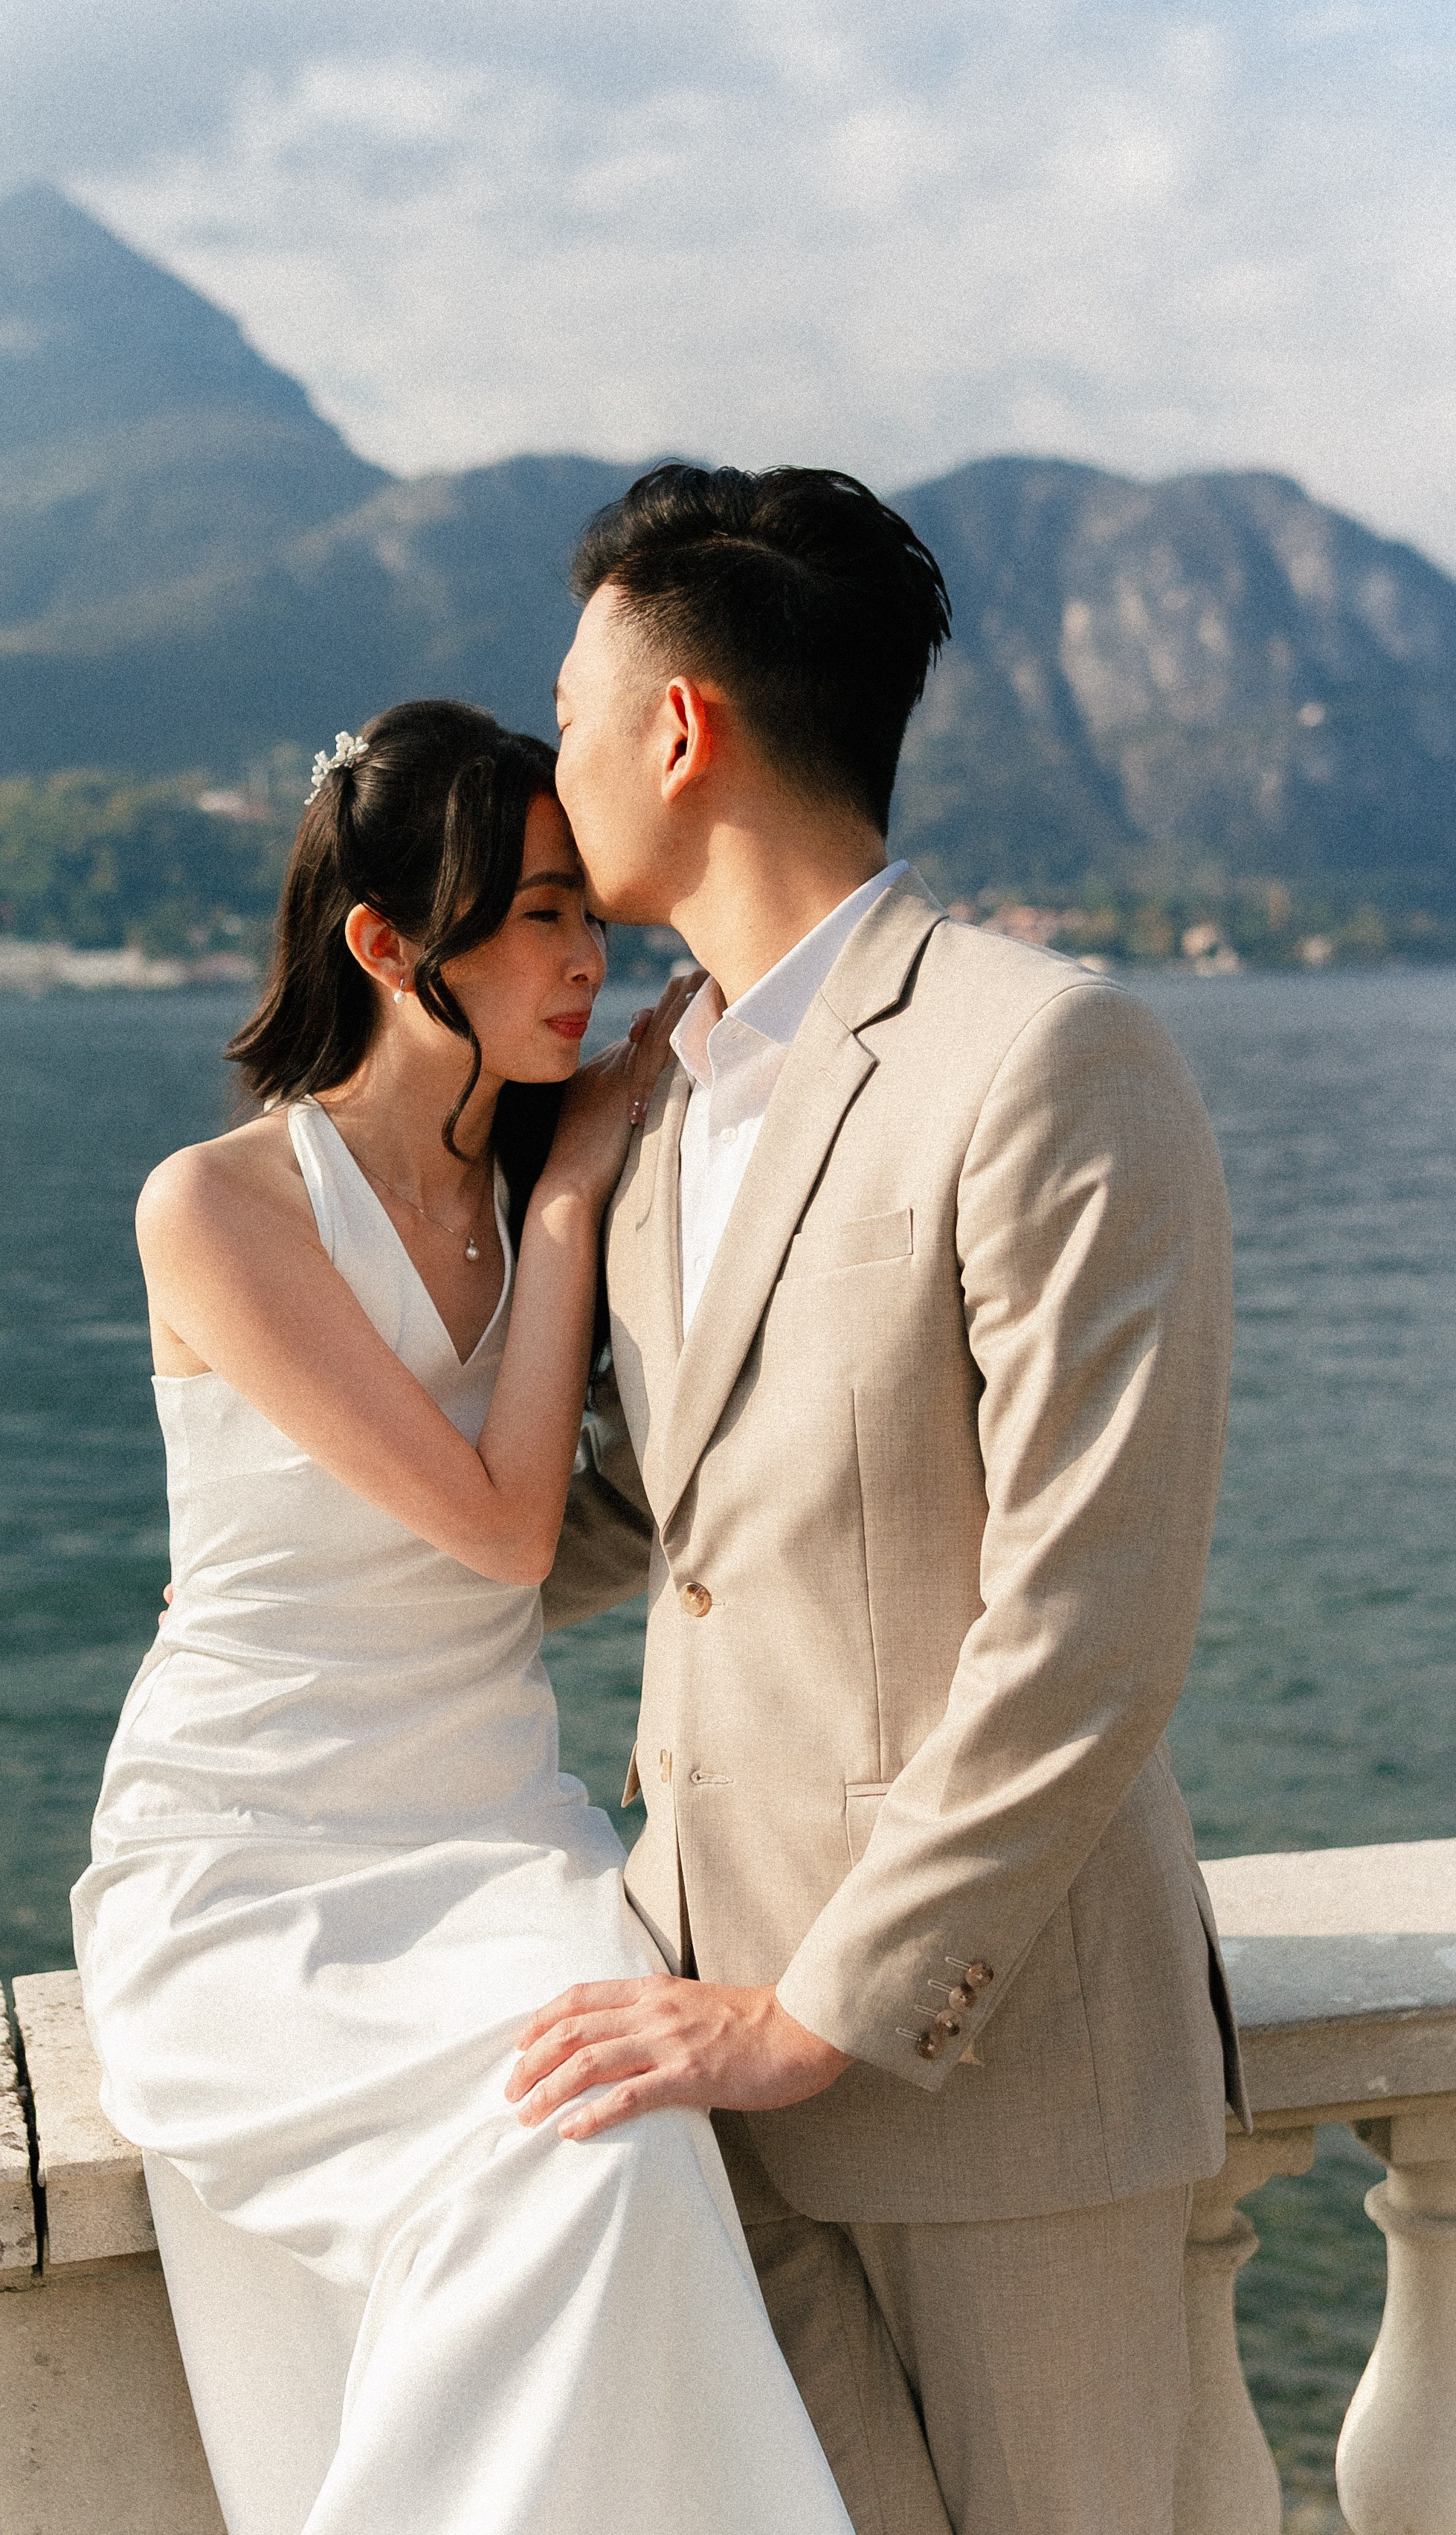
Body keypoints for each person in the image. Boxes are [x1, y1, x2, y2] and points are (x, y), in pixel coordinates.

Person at [515, 465, 1244, 2535]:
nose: (553, 776)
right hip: (698, 2064)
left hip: (993, 2090)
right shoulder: (656, 1106)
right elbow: (642, 1518)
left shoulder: (1045, 1057)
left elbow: (1090, 1623)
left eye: (568, 717)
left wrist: (821, 2016)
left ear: (681, 727)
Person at [71, 701, 856, 2535]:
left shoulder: (551, 1185)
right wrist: (571, 1188)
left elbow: (646, 1486)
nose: (587, 960)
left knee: (614, 2148)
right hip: (252, 1856)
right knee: (570, 2169)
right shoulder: (219, 1207)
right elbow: (505, 1533)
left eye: (592, 914)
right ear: (382, 943)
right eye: (535, 916)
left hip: (494, 1832)